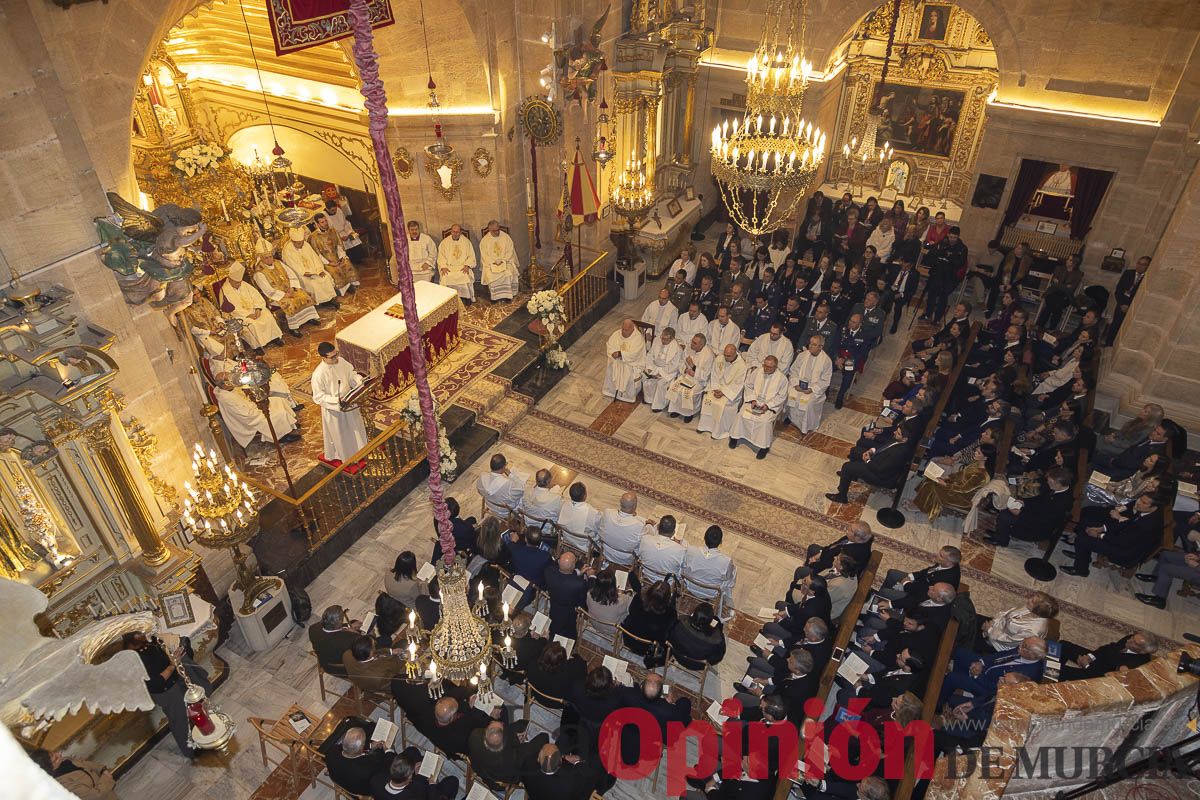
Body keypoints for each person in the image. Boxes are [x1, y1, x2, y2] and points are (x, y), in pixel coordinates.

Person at [122, 631, 212, 758]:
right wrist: (172, 665)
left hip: (175, 679)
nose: (146, 633)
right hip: (166, 692)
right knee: (180, 720)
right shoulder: (133, 660)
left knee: (195, 707)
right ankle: (191, 751)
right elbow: (156, 684)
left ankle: (204, 734)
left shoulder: (146, 641)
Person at [1062, 492, 1164, 577]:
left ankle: (1081, 570)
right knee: (1088, 522)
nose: (1138, 503)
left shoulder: (1148, 525)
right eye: (1140, 499)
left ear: (1153, 507)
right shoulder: (1146, 511)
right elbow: (1126, 525)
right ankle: (1082, 556)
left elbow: (1122, 541)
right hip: (1124, 538)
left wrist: (1099, 535)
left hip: (1125, 552)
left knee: (1082, 540)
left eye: (1143, 502)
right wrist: (1102, 528)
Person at [939, 637, 1047, 706]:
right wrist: (981, 663)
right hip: (986, 668)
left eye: (1024, 646)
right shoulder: (1022, 650)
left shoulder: (1028, 675)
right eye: (1023, 641)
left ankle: (937, 704)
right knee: (959, 652)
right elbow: (1000, 655)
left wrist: (977, 675)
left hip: (986, 688)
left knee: (952, 678)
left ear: (1033, 655)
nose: (1020, 645)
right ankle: (960, 677)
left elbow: (996, 690)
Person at [311, 341, 369, 465]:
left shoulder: (341, 361)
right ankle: (347, 457)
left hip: (350, 401)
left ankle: (361, 450)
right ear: (323, 358)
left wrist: (359, 381)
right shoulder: (318, 374)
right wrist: (336, 401)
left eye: (336, 354)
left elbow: (351, 375)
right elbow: (318, 397)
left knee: (356, 427)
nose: (336, 358)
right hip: (335, 410)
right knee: (343, 435)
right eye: (332, 357)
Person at [211, 369, 299, 448]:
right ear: (225, 384)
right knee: (279, 413)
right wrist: (260, 408)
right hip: (252, 418)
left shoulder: (227, 389)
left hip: (253, 406)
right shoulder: (227, 398)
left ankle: (289, 424)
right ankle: (282, 437)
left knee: (278, 400)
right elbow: (245, 414)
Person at [825, 426, 912, 504]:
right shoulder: (897, 440)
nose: (894, 432)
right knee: (855, 451)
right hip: (878, 460)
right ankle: (851, 476)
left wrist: (867, 461)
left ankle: (841, 496)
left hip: (880, 476)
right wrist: (871, 451)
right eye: (896, 431)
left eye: (898, 433)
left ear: (904, 439)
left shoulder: (898, 453)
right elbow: (884, 446)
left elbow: (880, 469)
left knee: (847, 467)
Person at [913, 443, 993, 521]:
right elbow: (961, 473)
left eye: (978, 453)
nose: (975, 453)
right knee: (931, 478)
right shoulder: (976, 463)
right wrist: (947, 477)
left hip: (962, 497)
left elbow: (964, 489)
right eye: (976, 451)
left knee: (932, 485)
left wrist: (945, 484)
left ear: (985, 458)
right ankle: (919, 502)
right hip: (957, 486)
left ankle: (920, 507)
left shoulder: (981, 475)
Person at [728, 354, 788, 458]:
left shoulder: (782, 379)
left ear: (775, 367)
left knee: (764, 422)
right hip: (754, 402)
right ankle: (735, 437)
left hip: (769, 406)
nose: (766, 369)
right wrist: (752, 400)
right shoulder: (757, 372)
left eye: (769, 367)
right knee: (741, 415)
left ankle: (763, 447)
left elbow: (781, 396)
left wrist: (768, 405)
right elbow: (748, 385)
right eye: (765, 365)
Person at [219, 261, 283, 352]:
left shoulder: (244, 284)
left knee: (267, 316)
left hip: (254, 311)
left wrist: (258, 309)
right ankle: (257, 347)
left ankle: (274, 338)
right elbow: (229, 310)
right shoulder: (225, 291)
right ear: (230, 279)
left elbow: (256, 296)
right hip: (241, 316)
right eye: (236, 283)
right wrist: (247, 315)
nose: (239, 284)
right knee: (252, 324)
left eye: (240, 282)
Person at [252, 251, 318, 336]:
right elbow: (267, 289)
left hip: (290, 289)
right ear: (261, 259)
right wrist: (283, 295)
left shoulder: (278, 263)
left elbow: (291, 275)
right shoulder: (259, 272)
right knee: (290, 303)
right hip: (276, 296)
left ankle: (310, 317)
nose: (269, 259)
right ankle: (293, 327)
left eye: (270, 257)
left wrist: (292, 287)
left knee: (303, 295)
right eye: (266, 258)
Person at [682, 524, 737, 615]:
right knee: (734, 572)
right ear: (720, 542)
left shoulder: (691, 551)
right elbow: (728, 578)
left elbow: (684, 567)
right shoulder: (726, 561)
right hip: (711, 592)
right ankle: (728, 600)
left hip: (691, 586)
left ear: (704, 537)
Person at [697, 344, 748, 440]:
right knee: (707, 399)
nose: (726, 358)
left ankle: (718, 432)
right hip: (717, 388)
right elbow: (714, 374)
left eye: (728, 356)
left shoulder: (742, 366)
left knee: (722, 405)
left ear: (735, 354)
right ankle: (705, 426)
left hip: (730, 393)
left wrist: (723, 393)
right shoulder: (720, 358)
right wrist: (715, 388)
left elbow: (738, 384)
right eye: (725, 355)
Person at [1058, 632, 1158, 680]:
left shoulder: (1135, 666)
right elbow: (1109, 648)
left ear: (1142, 651)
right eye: (1132, 637)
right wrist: (1090, 656)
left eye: (1135, 642)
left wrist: (1086, 666)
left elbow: (1107, 678)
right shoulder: (1130, 639)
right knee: (1063, 645)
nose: (1129, 640)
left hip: (1096, 675)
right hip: (1098, 658)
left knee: (1060, 671)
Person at [369, 747, 459, 800]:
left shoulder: (375, 780)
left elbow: (386, 764)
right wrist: (432, 784)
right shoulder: (416, 793)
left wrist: (388, 750)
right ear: (409, 777)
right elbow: (426, 794)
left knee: (412, 751)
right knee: (452, 781)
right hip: (426, 793)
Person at [786, 335, 833, 435]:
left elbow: (825, 380)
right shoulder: (802, 355)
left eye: (814, 345)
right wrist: (796, 384)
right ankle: (790, 418)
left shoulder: (826, 361)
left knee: (809, 403)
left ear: (821, 347)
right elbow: (794, 371)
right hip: (798, 384)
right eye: (810, 344)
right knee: (789, 394)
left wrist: (812, 389)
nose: (810, 346)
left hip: (813, 388)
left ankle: (805, 426)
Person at [980, 592, 1058, 651]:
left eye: (1032, 601)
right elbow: (1007, 613)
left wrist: (989, 631)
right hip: (995, 627)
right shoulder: (1029, 608)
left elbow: (1010, 641)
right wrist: (993, 621)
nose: (1028, 600)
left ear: (1038, 610)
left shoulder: (1033, 631)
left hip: (999, 643)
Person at [327, 726, 392, 797]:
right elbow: (385, 771)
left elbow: (349, 747)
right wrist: (388, 751)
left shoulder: (331, 752)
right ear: (361, 747)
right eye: (364, 742)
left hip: (338, 779)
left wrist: (370, 745)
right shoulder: (368, 768)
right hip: (360, 789)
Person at [280, 228, 339, 307]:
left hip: (314, 271)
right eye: (299, 243)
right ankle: (320, 302)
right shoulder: (288, 250)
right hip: (300, 275)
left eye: (302, 242)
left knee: (326, 277)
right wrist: (305, 273)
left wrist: (320, 270)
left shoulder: (306, 244)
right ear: (293, 241)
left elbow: (315, 258)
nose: (301, 245)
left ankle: (330, 299)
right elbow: (292, 266)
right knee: (313, 284)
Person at [522, 741, 600, 800]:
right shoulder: (570, 780)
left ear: (538, 759)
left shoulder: (527, 764)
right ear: (561, 761)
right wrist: (578, 762)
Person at [922, 226, 968, 323]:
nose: (952, 239)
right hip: (937, 272)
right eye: (951, 237)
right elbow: (933, 251)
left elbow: (961, 263)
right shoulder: (943, 242)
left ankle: (937, 319)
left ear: (958, 237)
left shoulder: (962, 248)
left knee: (943, 297)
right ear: (948, 235)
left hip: (949, 276)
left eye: (954, 237)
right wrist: (936, 252)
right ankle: (927, 314)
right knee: (931, 294)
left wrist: (949, 259)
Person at [424, 696, 493, 761]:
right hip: (473, 747)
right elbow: (478, 726)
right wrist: (470, 709)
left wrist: (468, 706)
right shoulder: (459, 732)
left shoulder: (435, 717)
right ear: (452, 717)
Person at [29, 749, 116, 799]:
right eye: (55, 757)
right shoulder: (63, 783)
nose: (59, 754)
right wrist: (107, 778)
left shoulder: (65, 761)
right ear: (49, 766)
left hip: (107, 792)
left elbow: (84, 763)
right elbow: (94, 796)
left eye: (54, 752)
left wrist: (102, 769)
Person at [665, 333, 714, 422]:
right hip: (686, 375)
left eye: (694, 343)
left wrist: (693, 367)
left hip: (698, 381)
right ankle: (676, 410)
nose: (691, 344)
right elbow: (681, 361)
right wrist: (684, 370)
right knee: (675, 388)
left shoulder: (708, 355)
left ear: (701, 345)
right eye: (692, 341)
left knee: (688, 393)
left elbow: (706, 375)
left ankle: (689, 413)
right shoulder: (689, 348)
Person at [310, 213, 360, 295]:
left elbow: (339, 245)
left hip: (337, 257)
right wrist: (329, 263)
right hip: (326, 261)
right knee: (335, 271)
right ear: (317, 224)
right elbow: (317, 254)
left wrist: (341, 257)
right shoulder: (313, 237)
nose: (325, 223)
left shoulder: (333, 231)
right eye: (322, 222)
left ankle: (351, 284)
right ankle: (343, 290)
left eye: (325, 221)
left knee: (346, 263)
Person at [1105, 255, 1150, 346]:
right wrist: (1122, 304)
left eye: (1143, 264)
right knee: (1115, 325)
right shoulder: (1128, 273)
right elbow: (1119, 290)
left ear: (1148, 266)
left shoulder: (1147, 278)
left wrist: (1130, 306)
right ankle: (1108, 344)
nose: (1139, 266)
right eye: (1139, 263)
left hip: (1133, 307)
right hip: (1121, 304)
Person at [543, 551, 589, 637]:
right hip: (570, 610)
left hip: (554, 604)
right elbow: (581, 601)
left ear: (558, 561)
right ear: (574, 566)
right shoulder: (579, 584)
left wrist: (579, 573)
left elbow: (563, 576)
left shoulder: (549, 572)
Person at [602, 318, 647, 402]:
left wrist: (620, 354)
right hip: (617, 361)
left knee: (626, 370)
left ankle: (627, 396)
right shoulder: (616, 334)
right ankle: (611, 392)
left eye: (626, 330)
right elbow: (610, 345)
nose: (623, 332)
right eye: (623, 329)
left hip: (632, 363)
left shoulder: (638, 338)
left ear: (632, 329)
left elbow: (635, 354)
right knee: (612, 365)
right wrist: (613, 353)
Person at [309, 604, 361, 675]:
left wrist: (347, 626)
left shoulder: (313, 628)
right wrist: (355, 633)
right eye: (341, 619)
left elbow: (335, 631)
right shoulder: (350, 640)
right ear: (338, 623)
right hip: (342, 669)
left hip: (324, 662)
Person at [833, 312, 871, 408]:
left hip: (852, 359)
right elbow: (835, 344)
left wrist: (845, 360)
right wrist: (837, 357)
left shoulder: (864, 335)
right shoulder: (842, 329)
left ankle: (840, 397)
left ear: (860, 324)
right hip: (839, 357)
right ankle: (825, 390)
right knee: (826, 367)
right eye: (850, 320)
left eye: (854, 322)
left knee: (848, 376)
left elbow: (862, 353)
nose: (850, 323)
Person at [598, 491, 645, 566]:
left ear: (620, 503)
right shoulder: (640, 525)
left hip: (606, 552)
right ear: (635, 506)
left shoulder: (608, 513)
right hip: (626, 559)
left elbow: (600, 530)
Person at [644, 326, 684, 411]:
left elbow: (674, 366)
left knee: (661, 383)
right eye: (662, 338)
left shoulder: (677, 349)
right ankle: (649, 399)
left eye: (666, 339)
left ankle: (659, 405)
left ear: (672, 338)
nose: (662, 341)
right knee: (647, 379)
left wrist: (660, 373)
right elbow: (650, 354)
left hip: (668, 371)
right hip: (655, 366)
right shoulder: (656, 340)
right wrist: (650, 367)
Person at [479, 220, 520, 301]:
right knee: (491, 275)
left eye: (498, 229)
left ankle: (508, 296)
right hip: (491, 264)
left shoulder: (506, 237)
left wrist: (503, 261)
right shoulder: (484, 241)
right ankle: (495, 297)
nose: (497, 232)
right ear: (489, 230)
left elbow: (510, 251)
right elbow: (484, 255)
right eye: (494, 231)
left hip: (505, 261)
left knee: (508, 273)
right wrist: (493, 262)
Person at [476, 452, 527, 517]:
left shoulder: (482, 476)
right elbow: (522, 489)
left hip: (490, 505)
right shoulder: (508, 484)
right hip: (505, 512)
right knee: (526, 497)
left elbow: (479, 491)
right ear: (504, 466)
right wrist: (511, 475)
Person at [639, 515, 687, 581]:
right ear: (673, 533)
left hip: (646, 575)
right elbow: (683, 570)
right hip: (667, 582)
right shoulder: (681, 550)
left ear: (658, 527)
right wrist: (679, 545)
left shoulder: (645, 539)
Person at [430, 496, 477, 562]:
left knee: (471, 520)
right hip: (462, 548)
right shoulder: (466, 528)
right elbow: (472, 538)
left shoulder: (437, 519)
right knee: (472, 519)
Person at [557, 481, 601, 552]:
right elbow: (599, 529)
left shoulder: (563, 504)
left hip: (567, 538)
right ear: (585, 496)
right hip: (583, 545)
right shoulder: (592, 512)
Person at [437, 224, 477, 302]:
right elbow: (441, 256)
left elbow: (471, 256)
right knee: (446, 276)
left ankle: (466, 297)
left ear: (461, 232)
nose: (455, 234)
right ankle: (448, 298)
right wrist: (443, 266)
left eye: (457, 232)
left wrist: (467, 265)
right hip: (449, 267)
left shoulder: (466, 242)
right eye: (454, 232)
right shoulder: (444, 242)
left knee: (464, 275)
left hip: (463, 266)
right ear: (451, 231)